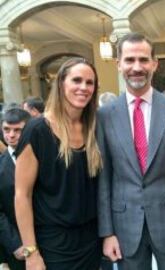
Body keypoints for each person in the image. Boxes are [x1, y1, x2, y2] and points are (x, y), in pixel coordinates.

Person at [97, 32, 165, 270]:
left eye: (143, 59)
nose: (137, 67)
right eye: (129, 60)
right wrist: (107, 232)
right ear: (118, 64)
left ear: (154, 64)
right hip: (125, 224)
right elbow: (104, 176)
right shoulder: (104, 115)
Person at [14, 57, 103, 270]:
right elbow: (21, 195)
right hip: (53, 244)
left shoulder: (94, 128)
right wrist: (31, 252)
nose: (83, 87)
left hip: (91, 241)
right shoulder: (37, 130)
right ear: (61, 83)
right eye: (77, 80)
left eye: (89, 83)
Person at [0, 108, 31, 270]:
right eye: (6, 129)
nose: (11, 135)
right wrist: (15, 243)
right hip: (18, 247)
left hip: (53, 241)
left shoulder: (45, 158)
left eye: (17, 130)